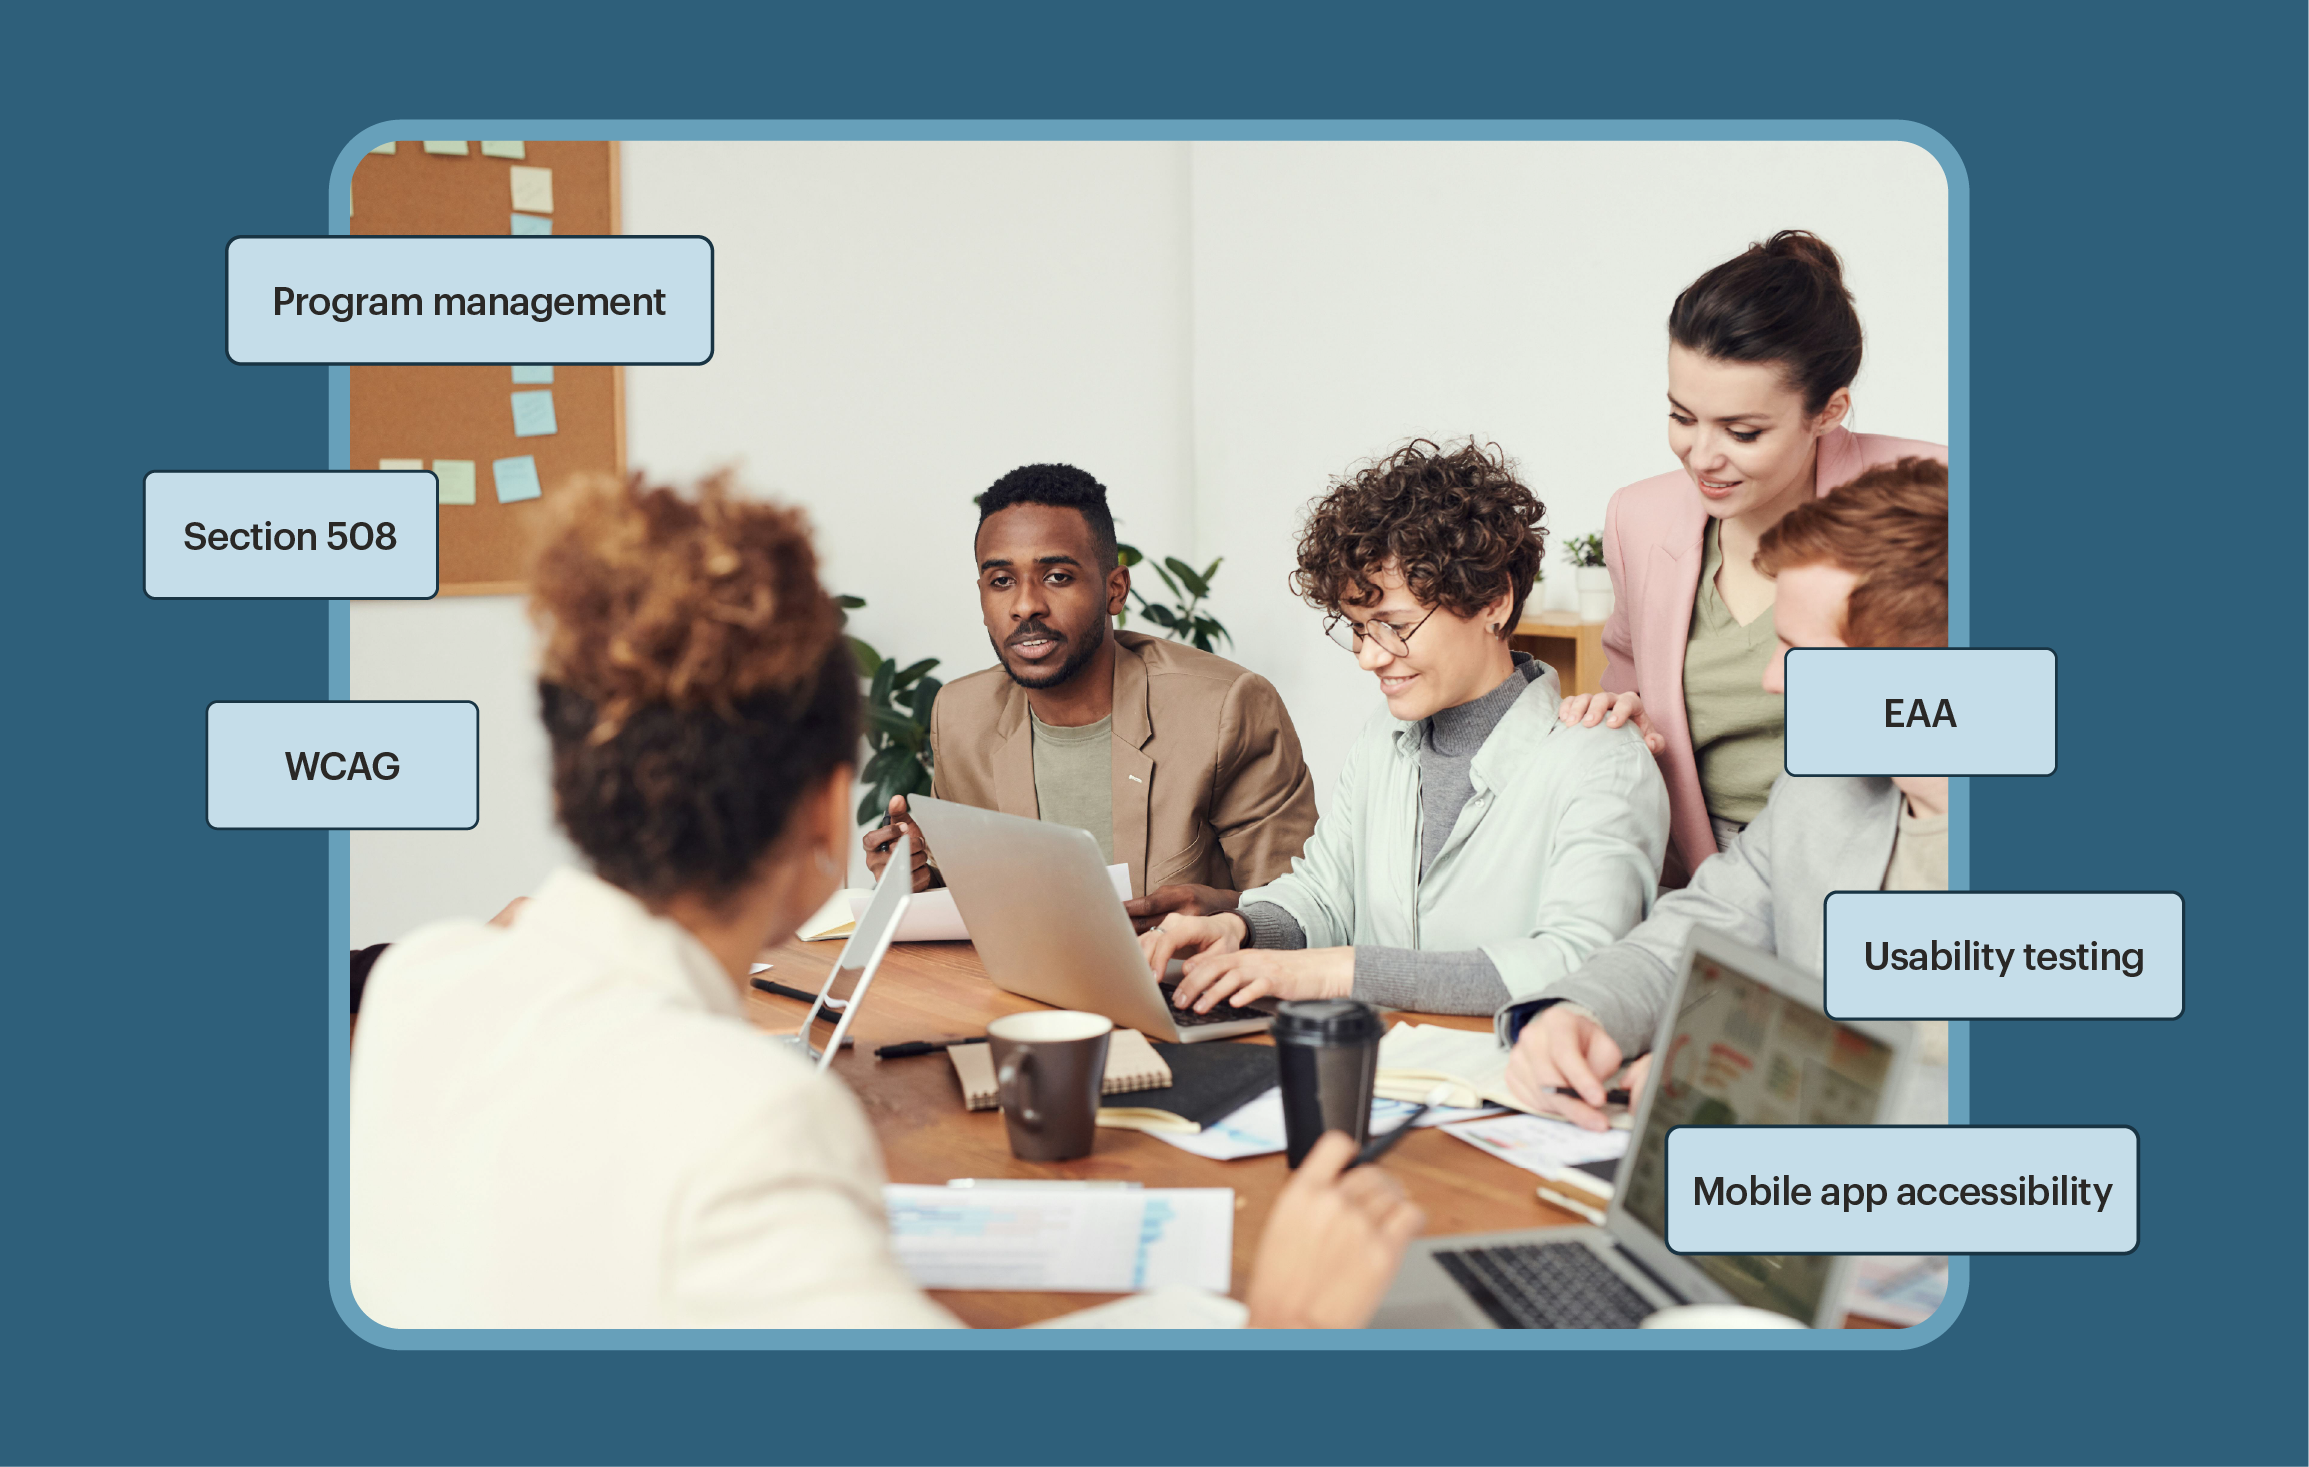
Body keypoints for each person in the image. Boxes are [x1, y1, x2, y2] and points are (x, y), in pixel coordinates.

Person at [351, 474, 1420, 1328]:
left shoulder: (417, 982)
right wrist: (1284, 1330)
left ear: (561, 782)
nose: (1025, 603)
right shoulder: (747, 1123)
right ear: (829, 810)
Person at [1140, 439, 1670, 1018]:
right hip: (1388, 1072)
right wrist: (1241, 929)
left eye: (1394, 626)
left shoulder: (1602, 759)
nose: (1370, 657)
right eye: (1360, 629)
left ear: (1493, 600)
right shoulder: (1382, 740)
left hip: (1513, 1083)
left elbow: (1577, 962)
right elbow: (1324, 893)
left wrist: (1338, 972)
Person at [1503, 457, 1949, 1129]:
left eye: (1798, 652)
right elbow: (1697, 930)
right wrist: (1580, 1012)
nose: (1771, 679)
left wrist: (1773, 1084)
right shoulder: (1817, 786)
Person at [1559, 231, 1947, 887]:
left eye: (1743, 432)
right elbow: (1627, 689)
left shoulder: (1931, 492)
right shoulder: (1637, 517)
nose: (1701, 456)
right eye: (1682, 416)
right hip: (1700, 875)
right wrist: (1618, 718)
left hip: (1885, 873)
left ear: (1828, 411)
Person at [864, 463, 1318, 931]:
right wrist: (917, 881)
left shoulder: (1225, 708)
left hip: (1183, 992)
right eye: (1002, 581)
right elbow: (980, 909)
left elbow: (1311, 910)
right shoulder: (961, 715)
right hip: (1019, 993)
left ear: (1115, 590)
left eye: (1057, 576)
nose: (1025, 605)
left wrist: (1226, 914)